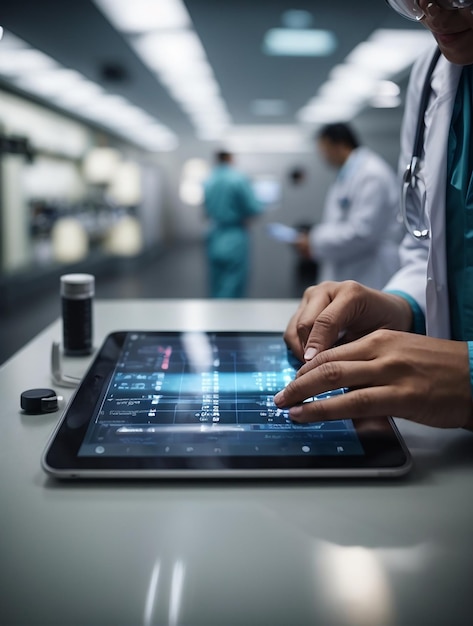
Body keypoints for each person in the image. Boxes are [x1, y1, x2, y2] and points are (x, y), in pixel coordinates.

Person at [274, 0, 473, 429]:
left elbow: (365, 231)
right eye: (416, 0)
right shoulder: (431, 74)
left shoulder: (367, 173)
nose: (435, 14)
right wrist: (402, 309)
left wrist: (469, 373)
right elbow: (428, 248)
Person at [294, 122, 402, 290]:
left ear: (339, 145)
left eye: (324, 149)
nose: (323, 156)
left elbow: (362, 232)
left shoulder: (371, 174)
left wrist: (314, 240)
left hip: (370, 269)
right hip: (353, 267)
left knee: (365, 313)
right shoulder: (349, 174)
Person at [203, 150, 262, 298]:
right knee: (233, 282)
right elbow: (253, 207)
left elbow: (206, 210)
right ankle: (228, 318)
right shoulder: (238, 179)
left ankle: (215, 313)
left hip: (214, 234)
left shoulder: (208, 179)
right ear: (230, 158)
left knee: (216, 281)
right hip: (234, 235)